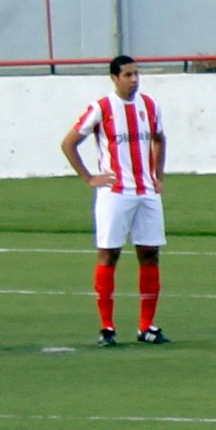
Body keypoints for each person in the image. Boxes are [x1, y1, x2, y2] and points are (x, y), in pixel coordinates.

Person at [60, 55, 170, 346]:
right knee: (109, 254)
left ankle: (147, 327)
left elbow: (159, 138)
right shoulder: (102, 108)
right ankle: (107, 328)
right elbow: (69, 143)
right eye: (128, 75)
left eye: (136, 74)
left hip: (147, 192)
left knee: (150, 253)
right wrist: (89, 177)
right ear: (114, 78)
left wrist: (157, 175)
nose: (134, 80)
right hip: (116, 192)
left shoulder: (150, 105)